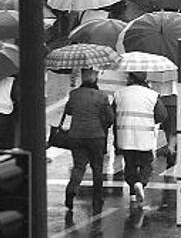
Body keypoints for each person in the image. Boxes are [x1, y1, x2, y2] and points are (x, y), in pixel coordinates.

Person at [63, 68, 113, 215]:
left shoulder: (74, 94)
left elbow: (69, 111)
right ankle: (97, 198)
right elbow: (110, 118)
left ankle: (71, 190)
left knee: (79, 166)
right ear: (95, 78)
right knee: (97, 168)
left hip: (76, 135)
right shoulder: (101, 96)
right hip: (96, 136)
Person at [113, 71, 167, 207]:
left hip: (125, 136)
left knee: (129, 165)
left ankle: (133, 191)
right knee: (146, 165)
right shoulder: (152, 95)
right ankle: (141, 184)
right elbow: (161, 115)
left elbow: (111, 114)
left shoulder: (120, 93)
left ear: (131, 78)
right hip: (144, 137)